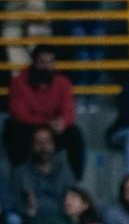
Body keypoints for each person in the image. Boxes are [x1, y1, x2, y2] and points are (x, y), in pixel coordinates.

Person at [3, 46, 85, 180]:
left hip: (53, 128)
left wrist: (62, 122)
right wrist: (45, 124)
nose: (47, 66)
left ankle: (75, 182)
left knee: (74, 134)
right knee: (13, 129)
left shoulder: (63, 82)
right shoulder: (18, 82)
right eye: (42, 62)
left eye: (50, 62)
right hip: (28, 128)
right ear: (34, 63)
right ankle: (19, 178)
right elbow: (19, 112)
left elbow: (68, 109)